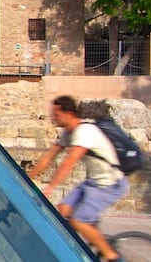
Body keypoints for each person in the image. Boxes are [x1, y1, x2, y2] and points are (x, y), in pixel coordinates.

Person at [29, 95, 129, 261]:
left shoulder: (85, 131)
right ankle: (78, 248)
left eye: (57, 114)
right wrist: (26, 179)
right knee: (63, 210)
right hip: (93, 182)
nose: (53, 118)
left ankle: (114, 258)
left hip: (110, 184)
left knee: (78, 221)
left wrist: (50, 187)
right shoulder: (68, 133)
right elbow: (49, 157)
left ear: (69, 113)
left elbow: (68, 163)